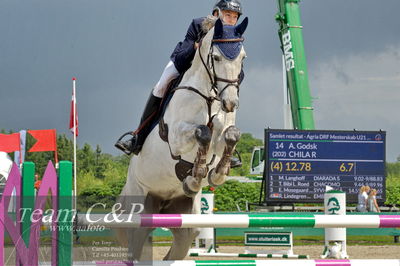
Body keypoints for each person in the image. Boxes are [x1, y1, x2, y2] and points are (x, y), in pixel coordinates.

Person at [115, 0, 244, 168]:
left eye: (234, 17)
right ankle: (137, 137)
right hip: (186, 65)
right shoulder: (199, 24)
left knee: (230, 96)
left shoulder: (235, 35)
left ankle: (228, 150)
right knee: (161, 85)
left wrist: (234, 81)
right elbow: (184, 54)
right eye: (227, 15)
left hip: (216, 78)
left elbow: (237, 65)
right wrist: (196, 47)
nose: (231, 20)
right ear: (216, 14)